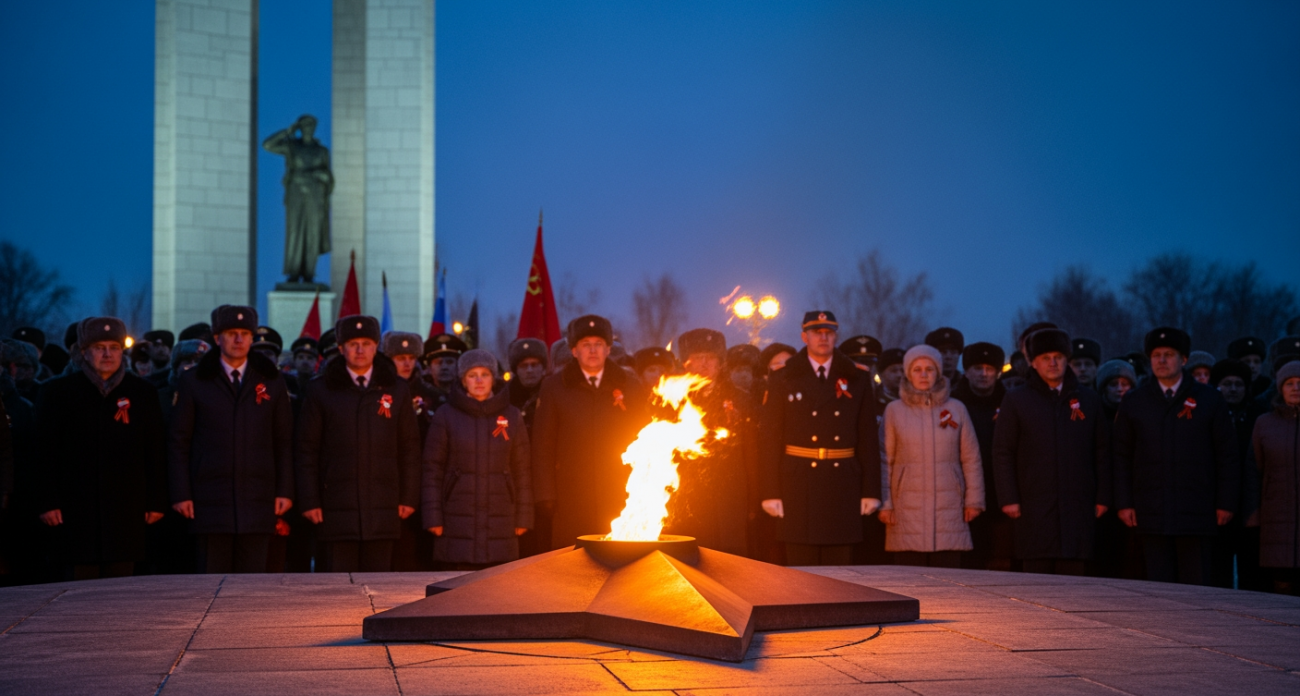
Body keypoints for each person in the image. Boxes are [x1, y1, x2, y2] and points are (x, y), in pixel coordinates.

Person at [34, 317, 168, 579]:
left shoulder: (142, 393)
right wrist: (47, 501)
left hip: (126, 512)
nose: (108, 354)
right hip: (74, 513)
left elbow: (155, 451)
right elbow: (44, 452)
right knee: (78, 592)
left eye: (114, 347)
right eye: (99, 347)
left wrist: (156, 500)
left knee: (119, 594)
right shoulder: (57, 393)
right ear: (84, 352)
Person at [168, 306, 294, 574]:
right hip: (210, 501)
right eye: (231, 333)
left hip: (258, 500)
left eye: (245, 334)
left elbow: (283, 440)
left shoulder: (271, 381)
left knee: (252, 588)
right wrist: (182, 493)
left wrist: (284, 489)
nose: (238, 340)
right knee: (211, 583)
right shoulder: (195, 381)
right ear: (217, 338)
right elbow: (180, 441)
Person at [1114, 327, 1239, 585]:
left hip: (1197, 510)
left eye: (1169, 354)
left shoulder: (1209, 399)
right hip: (1150, 510)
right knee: (1157, 588)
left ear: (1183, 359)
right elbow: (1121, 455)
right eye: (1156, 355)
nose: (1161, 360)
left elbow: (1227, 454)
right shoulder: (1135, 401)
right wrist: (1124, 502)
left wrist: (1226, 501)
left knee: (1196, 586)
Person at [296, 315, 420, 572]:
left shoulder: (396, 389)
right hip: (335, 510)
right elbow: (306, 449)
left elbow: (409, 448)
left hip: (384, 508)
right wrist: (310, 499)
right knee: (337, 592)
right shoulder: (321, 390)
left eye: (366, 342)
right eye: (353, 343)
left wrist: (408, 496)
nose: (360, 350)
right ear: (341, 348)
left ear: (376, 347)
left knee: (379, 592)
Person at [758, 311, 881, 566]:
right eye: (817, 332)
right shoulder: (784, 376)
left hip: (842, 482)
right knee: (801, 574)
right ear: (805, 336)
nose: (823, 338)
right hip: (798, 483)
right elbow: (770, 438)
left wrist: (871, 490)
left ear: (836, 336)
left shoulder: (856, 376)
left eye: (829, 332)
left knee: (840, 573)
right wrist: (770, 491)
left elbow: (867, 437)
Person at [993, 329, 1110, 576]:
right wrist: (1008, 497)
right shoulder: (1017, 400)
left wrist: (1103, 496)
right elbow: (1003, 451)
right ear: (1033, 362)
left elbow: (1101, 450)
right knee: (1037, 581)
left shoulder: (1088, 399)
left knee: (1074, 580)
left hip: (1077, 505)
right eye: (1046, 357)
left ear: (1067, 359)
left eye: (1058, 356)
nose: (1053, 363)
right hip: (1033, 505)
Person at [531, 316, 649, 549]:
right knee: (574, 564)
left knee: (622, 559)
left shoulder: (630, 385)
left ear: (608, 349)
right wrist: (545, 495)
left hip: (621, 491)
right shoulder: (554, 387)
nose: (593, 350)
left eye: (598, 344)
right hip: (572, 495)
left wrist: (646, 486)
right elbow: (543, 444)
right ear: (574, 350)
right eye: (586, 344)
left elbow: (644, 437)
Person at [423, 349, 533, 569]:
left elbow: (522, 470)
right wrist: (433, 516)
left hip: (501, 519)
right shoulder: (446, 415)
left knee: (497, 593)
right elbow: (432, 469)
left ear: (494, 378)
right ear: (464, 380)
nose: (479, 380)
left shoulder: (511, 416)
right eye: (473, 375)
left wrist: (524, 517)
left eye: (485, 374)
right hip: (456, 519)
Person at [878, 345, 983, 567]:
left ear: (939, 373)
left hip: (950, 509)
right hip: (906, 511)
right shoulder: (894, 411)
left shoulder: (956, 409)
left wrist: (974, 501)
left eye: (929, 369)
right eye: (917, 369)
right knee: (909, 583)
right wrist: (885, 504)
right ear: (908, 373)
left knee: (949, 582)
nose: (923, 374)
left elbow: (971, 458)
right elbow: (884, 459)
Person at [663, 329, 752, 555]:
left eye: (711, 358)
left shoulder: (741, 399)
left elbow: (752, 453)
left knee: (731, 564)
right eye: (698, 357)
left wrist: (754, 496)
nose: (705, 364)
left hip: (729, 498)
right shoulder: (668, 400)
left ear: (721, 363)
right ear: (686, 363)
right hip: (687, 499)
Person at [951, 341, 1012, 571]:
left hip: (1002, 495)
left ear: (998, 372)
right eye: (977, 368)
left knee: (1001, 559)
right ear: (966, 371)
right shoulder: (953, 404)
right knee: (969, 562)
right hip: (964, 498)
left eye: (990, 368)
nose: (984, 374)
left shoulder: (1012, 402)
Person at [381, 330, 439, 572]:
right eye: (399, 357)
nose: (406, 363)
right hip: (388, 482)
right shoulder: (380, 390)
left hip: (422, 482)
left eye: (411, 357)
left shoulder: (432, 395)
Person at [1209, 358, 1263, 590]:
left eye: (1238, 384)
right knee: (1218, 569)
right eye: (1227, 383)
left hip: (1251, 503)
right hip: (1216, 503)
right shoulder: (1208, 414)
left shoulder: (1258, 416)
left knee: (1251, 569)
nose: (1232, 389)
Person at [1253, 361, 1300, 594]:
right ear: (1280, 388)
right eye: (1289, 383)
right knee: (1281, 591)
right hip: (1276, 520)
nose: (1295, 388)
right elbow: (1255, 471)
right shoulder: (1265, 424)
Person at [422, 333, 467, 414]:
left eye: (449, 362)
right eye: (438, 363)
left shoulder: (468, 396)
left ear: (458, 367)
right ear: (429, 368)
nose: (444, 367)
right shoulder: (420, 396)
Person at [507, 338, 549, 420]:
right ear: (516, 370)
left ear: (543, 368)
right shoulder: (504, 398)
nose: (529, 370)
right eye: (523, 365)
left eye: (534, 365)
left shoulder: (552, 393)